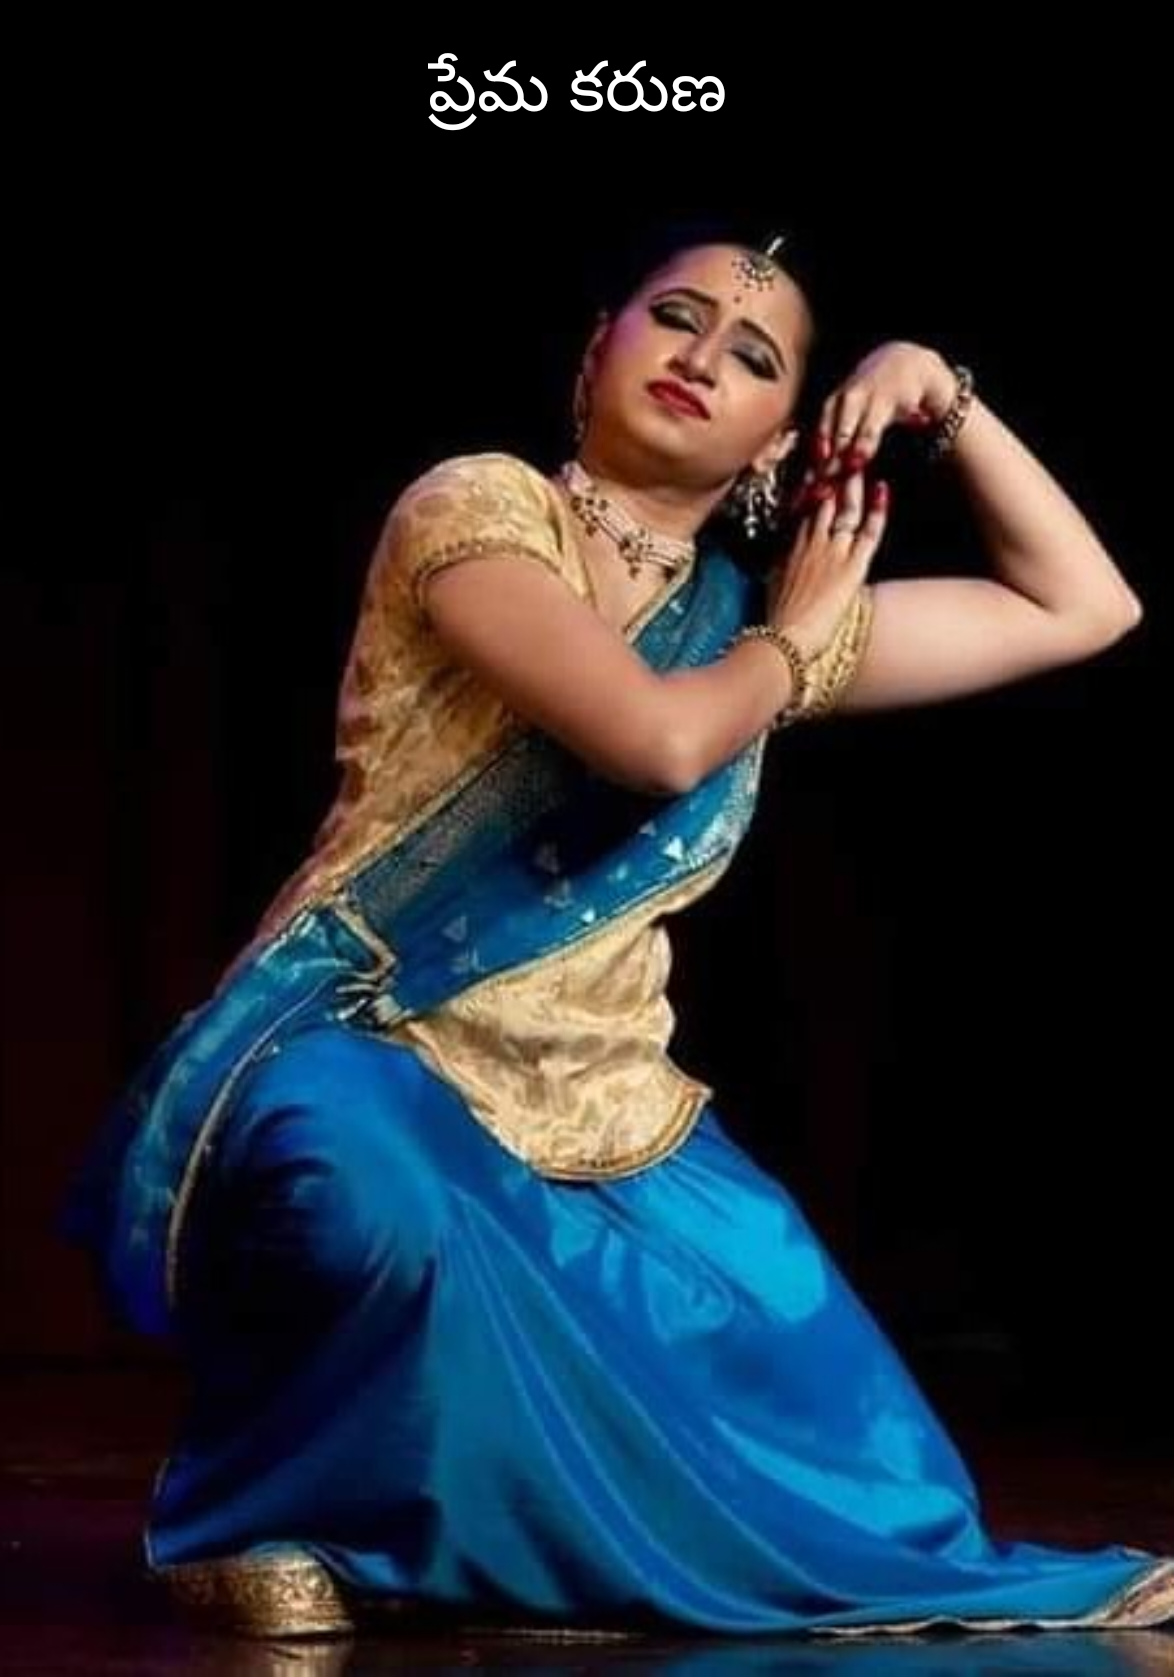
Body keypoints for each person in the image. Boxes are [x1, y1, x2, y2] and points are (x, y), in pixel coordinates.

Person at [60, 219, 1172, 1644]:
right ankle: (261, 1512)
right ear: (597, 351)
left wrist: (937, 389)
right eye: (676, 318)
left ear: (780, 447)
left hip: (602, 1106)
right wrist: (792, 646)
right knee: (374, 1201)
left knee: (825, 1398)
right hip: (361, 1040)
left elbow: (1085, 605)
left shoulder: (748, 625)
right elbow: (651, 740)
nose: (704, 355)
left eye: (755, 355)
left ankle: (505, 1553)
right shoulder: (478, 508)